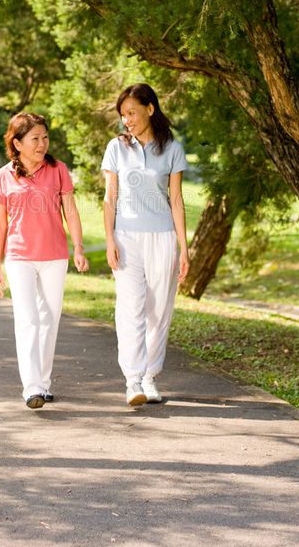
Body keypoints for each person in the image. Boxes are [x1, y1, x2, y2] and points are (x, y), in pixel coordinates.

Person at [0, 112, 88, 409]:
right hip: (19, 257)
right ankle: (31, 387)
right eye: (35, 138)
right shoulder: (2, 176)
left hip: (55, 256)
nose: (42, 143)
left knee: (50, 319)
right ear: (17, 143)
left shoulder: (58, 169)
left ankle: (43, 383)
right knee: (27, 319)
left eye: (45, 137)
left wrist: (79, 247)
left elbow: (70, 211)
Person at [101, 83, 189, 406]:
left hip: (163, 236)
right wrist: (109, 238)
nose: (127, 120)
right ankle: (133, 380)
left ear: (150, 109)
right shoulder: (116, 147)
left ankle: (151, 376)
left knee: (159, 309)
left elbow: (177, 200)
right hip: (126, 237)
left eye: (132, 113)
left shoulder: (172, 149)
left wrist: (185, 248)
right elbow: (110, 197)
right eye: (123, 115)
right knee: (130, 307)